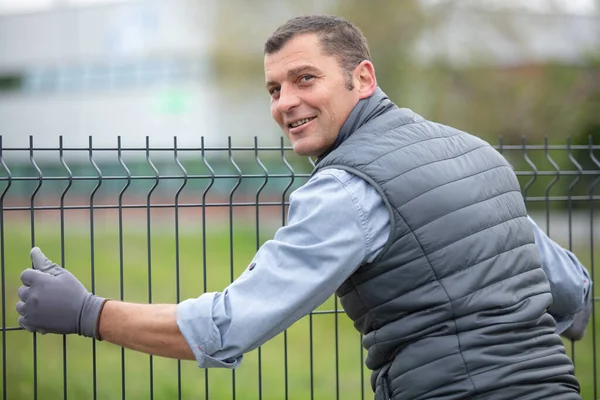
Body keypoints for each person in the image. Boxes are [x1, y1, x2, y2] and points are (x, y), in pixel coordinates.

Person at [16, 15, 592, 400]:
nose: (286, 102)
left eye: (305, 79)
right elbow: (572, 295)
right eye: (274, 89)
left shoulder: (347, 188)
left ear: (361, 78)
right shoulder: (474, 153)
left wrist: (87, 312)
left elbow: (228, 327)